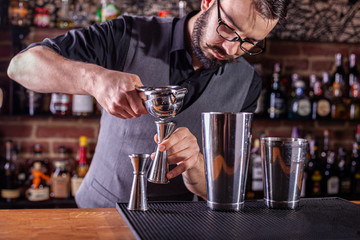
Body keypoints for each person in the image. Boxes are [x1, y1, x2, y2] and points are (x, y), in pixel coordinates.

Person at [7, 0, 289, 207]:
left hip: (180, 225)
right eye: (228, 28)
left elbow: (224, 190)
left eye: (250, 42)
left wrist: (196, 166)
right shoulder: (128, 34)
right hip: (101, 214)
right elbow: (20, 66)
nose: (232, 49)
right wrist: (94, 80)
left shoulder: (247, 83)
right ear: (208, 3)